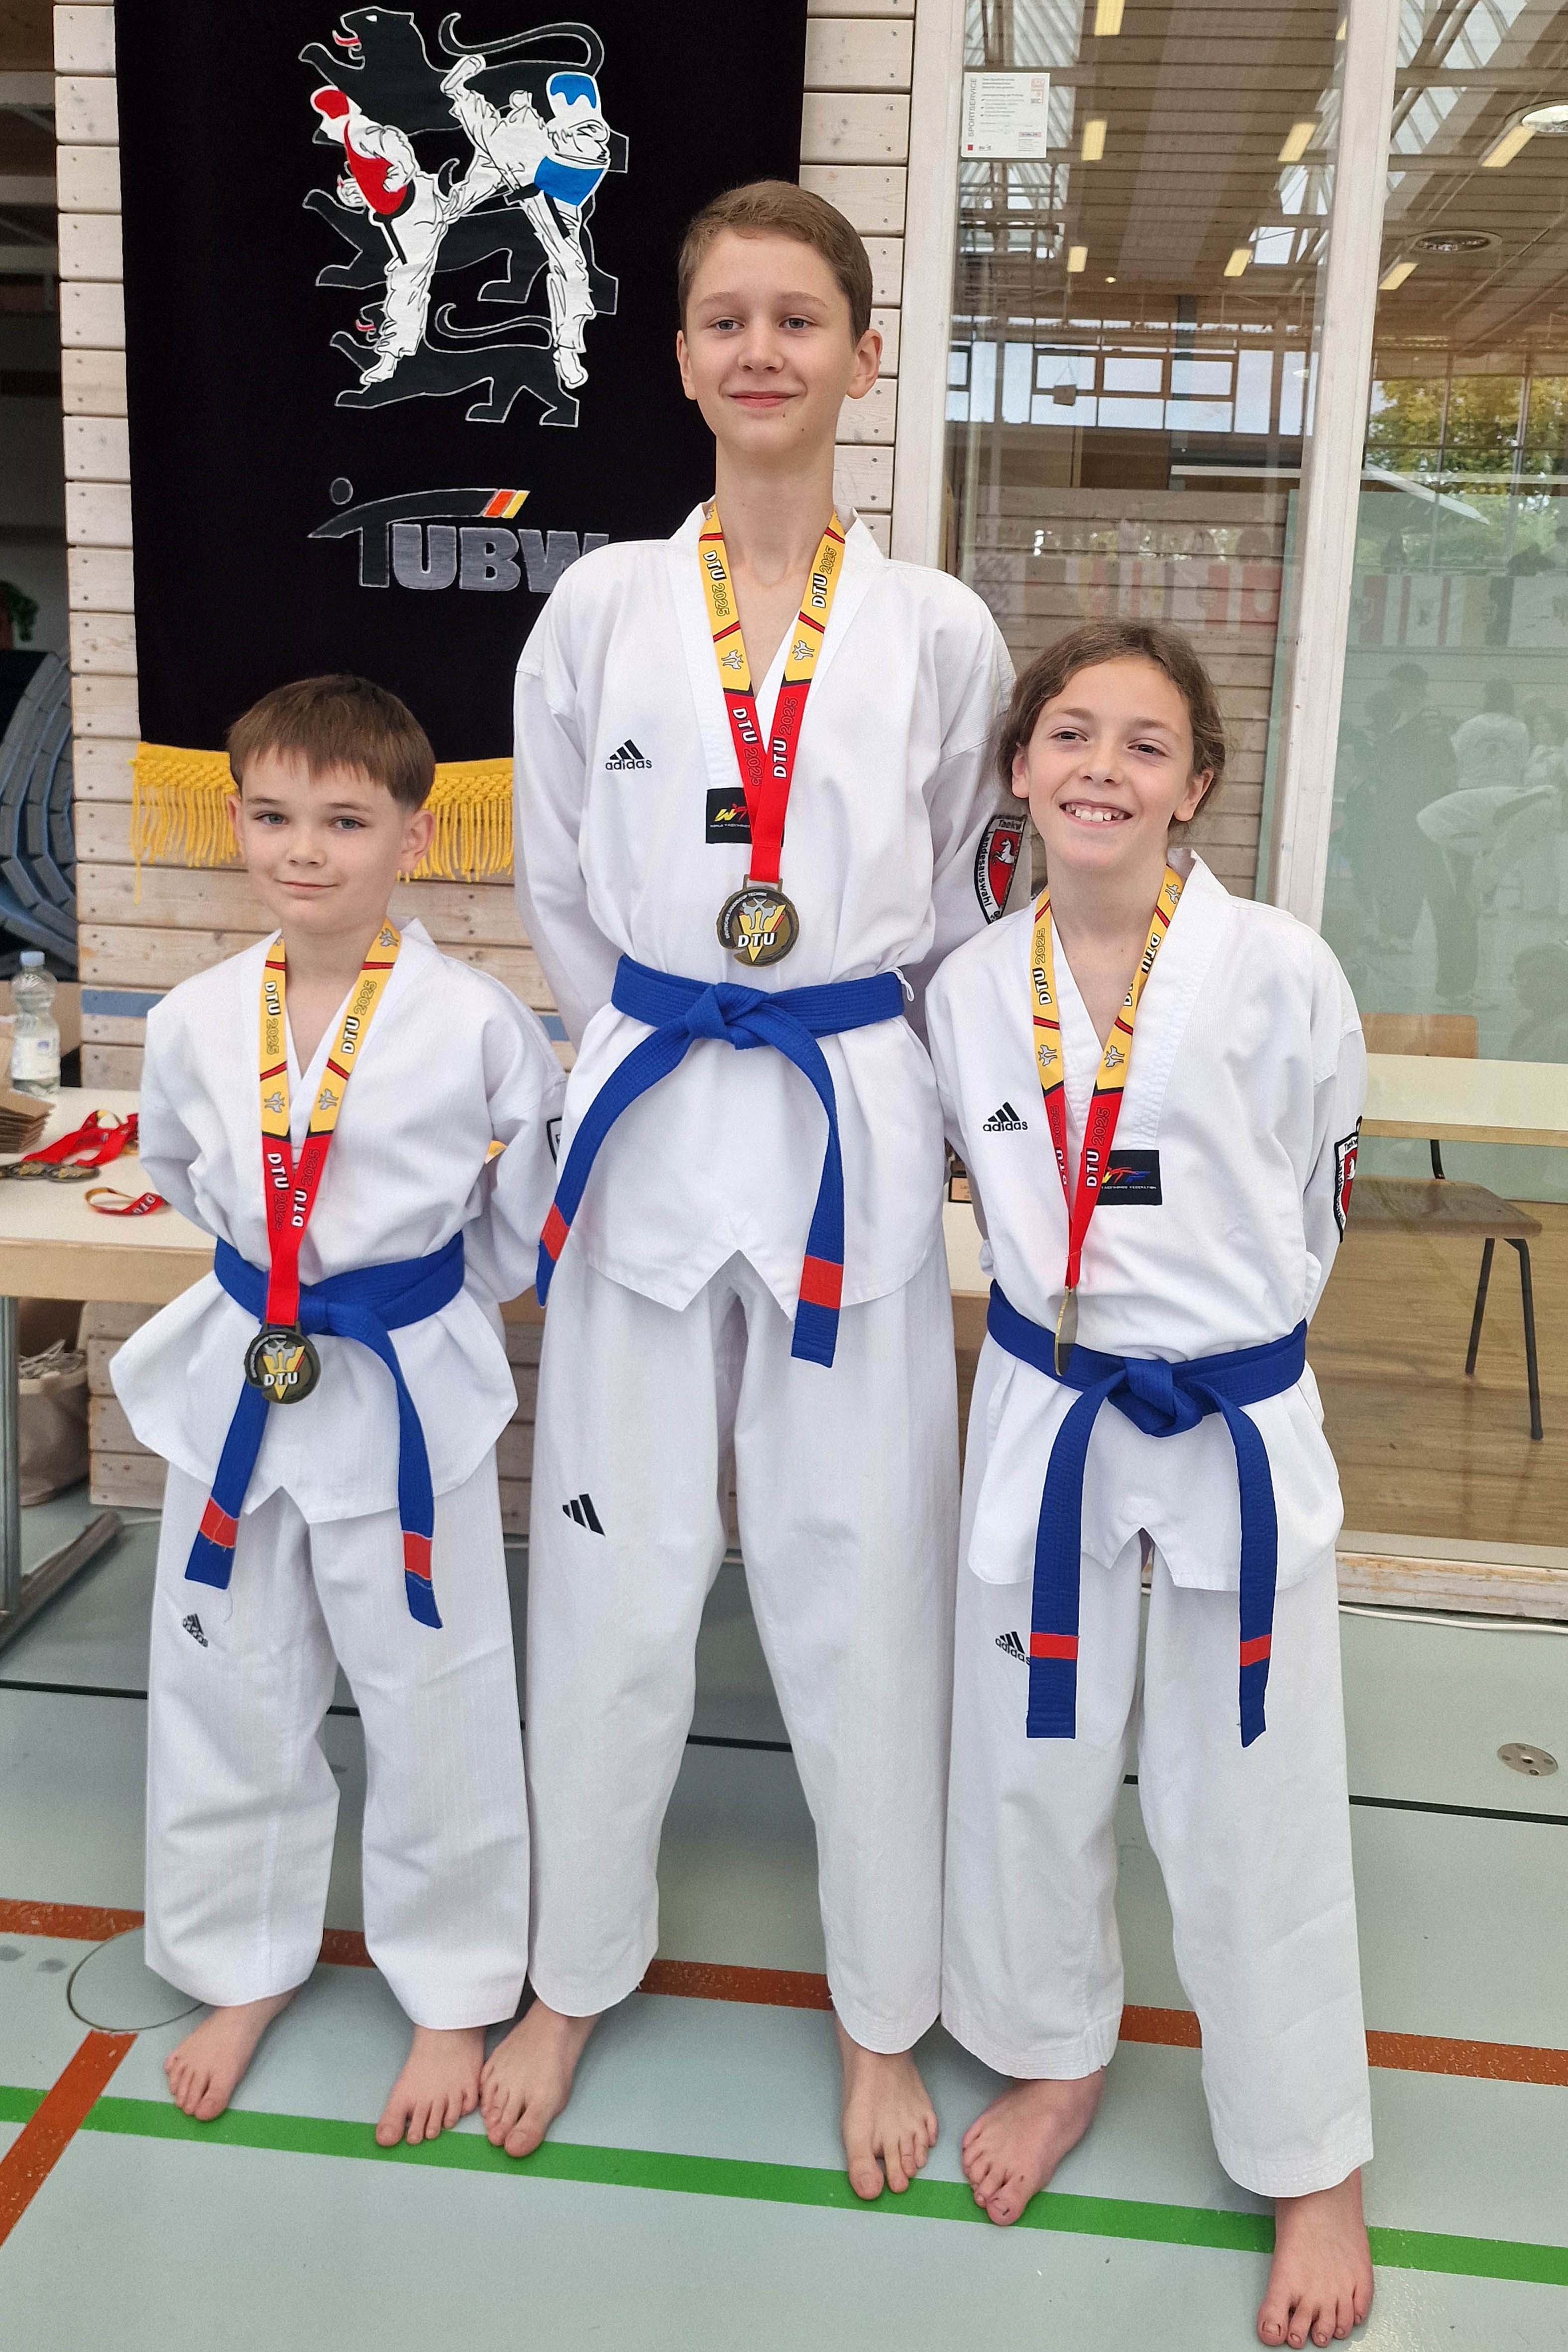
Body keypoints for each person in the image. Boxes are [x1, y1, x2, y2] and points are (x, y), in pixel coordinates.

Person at [488, 180, 1015, 2195]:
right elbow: (557, 877)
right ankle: (568, 1972)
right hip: (648, 1107)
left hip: (846, 1124)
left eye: (800, 318)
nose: (762, 350)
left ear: (865, 355)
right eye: (727, 319)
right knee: (611, 1575)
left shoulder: (939, 630)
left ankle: (880, 2004)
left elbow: (960, 895)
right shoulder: (603, 607)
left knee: (860, 1575)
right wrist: (650, 1023)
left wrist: (884, 1069)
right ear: (683, 357)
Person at [924, 622, 1373, 2350]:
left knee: (1250, 1795)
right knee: (1029, 1768)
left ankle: (1310, 2155)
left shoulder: (1283, 974)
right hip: (1049, 1410)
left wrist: (1226, 1337)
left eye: (1145, 742)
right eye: (1069, 732)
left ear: (1198, 787)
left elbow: (1318, 1198)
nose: (1100, 766)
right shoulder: (974, 987)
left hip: (1230, 1416)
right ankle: (1053, 2054)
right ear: (1020, 766)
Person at [110, 676, 564, 2146]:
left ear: (414, 839)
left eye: (346, 821)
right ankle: (240, 1964)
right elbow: (178, 1172)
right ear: (239, 822)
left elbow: (522, 1209)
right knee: (226, 1676)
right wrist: (282, 1279)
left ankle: (453, 1988)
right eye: (275, 815)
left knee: (435, 1687)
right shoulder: (194, 1018)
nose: (304, 849)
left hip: (401, 1379)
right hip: (245, 1367)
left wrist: (418, 1298)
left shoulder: (476, 1022)